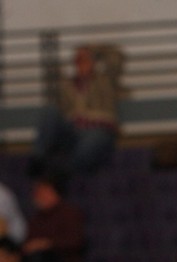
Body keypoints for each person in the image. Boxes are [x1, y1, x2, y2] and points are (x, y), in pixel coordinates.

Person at [32, 44, 123, 175]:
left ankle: (66, 172)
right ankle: (37, 159)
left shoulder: (105, 80)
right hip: (73, 131)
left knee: (94, 140)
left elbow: (116, 58)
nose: (82, 64)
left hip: (99, 131)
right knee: (50, 111)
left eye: (85, 60)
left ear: (93, 62)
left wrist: (93, 50)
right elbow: (59, 115)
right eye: (78, 60)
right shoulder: (66, 85)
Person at [24, 173, 86, 262]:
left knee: (38, 260)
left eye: (40, 192)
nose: (36, 196)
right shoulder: (36, 218)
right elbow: (29, 243)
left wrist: (46, 244)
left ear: (52, 191)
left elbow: (75, 241)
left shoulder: (69, 213)